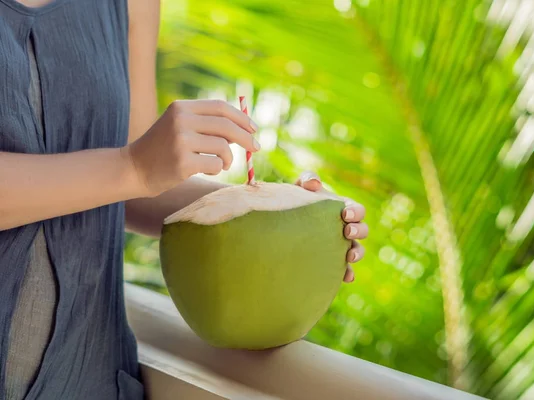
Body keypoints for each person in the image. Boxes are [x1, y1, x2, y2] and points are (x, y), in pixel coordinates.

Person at [0, 0, 369, 398]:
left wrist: (278, 215)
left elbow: (131, 189)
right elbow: (131, 169)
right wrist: (135, 167)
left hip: (93, 380)